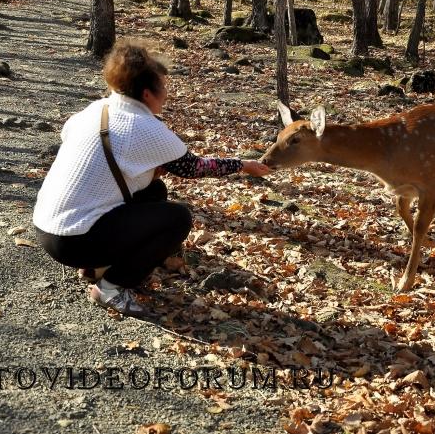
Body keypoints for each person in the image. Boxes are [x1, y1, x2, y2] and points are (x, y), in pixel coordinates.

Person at [32, 39, 269, 318]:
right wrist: (243, 165)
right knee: (177, 218)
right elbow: (192, 168)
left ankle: (96, 266)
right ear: (147, 94)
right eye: (163, 87)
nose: (166, 94)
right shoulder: (143, 126)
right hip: (74, 239)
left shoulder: (95, 109)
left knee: (154, 191)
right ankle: (110, 287)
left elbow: (81, 147)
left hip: (47, 226)